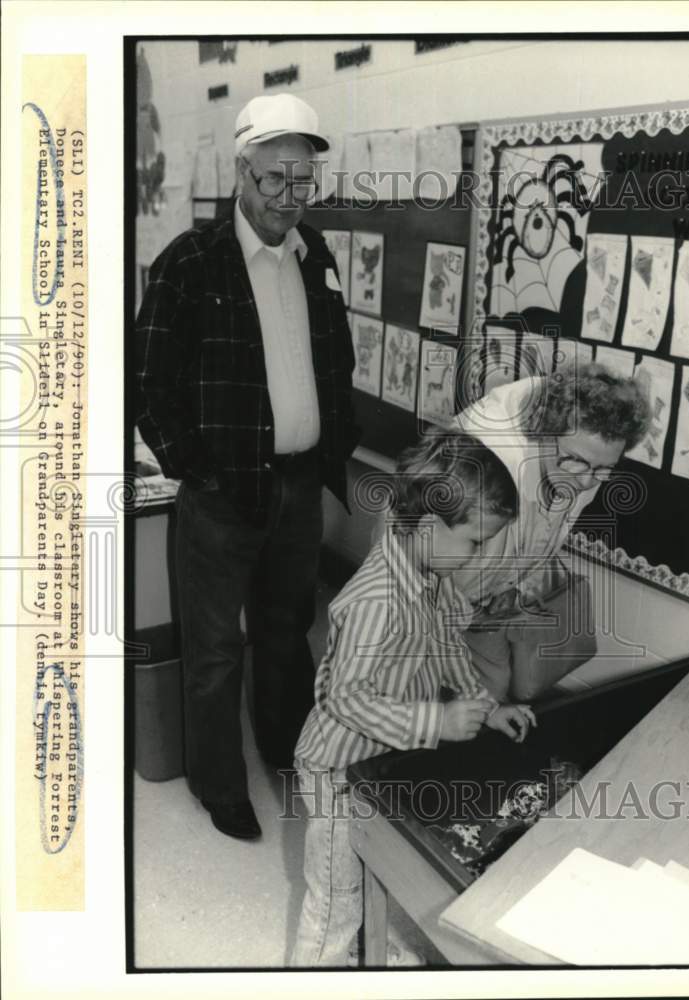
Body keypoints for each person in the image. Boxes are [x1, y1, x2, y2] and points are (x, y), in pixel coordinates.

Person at [135, 94, 359, 841]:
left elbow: (334, 361)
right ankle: (218, 784)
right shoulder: (190, 263)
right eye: (274, 179)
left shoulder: (315, 255)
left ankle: (284, 749)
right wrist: (193, 469)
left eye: (303, 181)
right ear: (242, 171)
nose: (289, 199)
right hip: (222, 494)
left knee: (287, 630)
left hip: (296, 486)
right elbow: (147, 382)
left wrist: (331, 450)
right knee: (213, 649)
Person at [290, 429, 536, 967]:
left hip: (379, 764)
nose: (481, 554)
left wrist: (485, 706)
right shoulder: (377, 599)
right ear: (427, 527)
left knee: (379, 865)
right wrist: (436, 721)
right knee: (335, 898)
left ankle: (372, 951)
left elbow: (448, 648)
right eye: (476, 540)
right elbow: (345, 698)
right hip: (336, 770)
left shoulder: (434, 576)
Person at [453, 361, 651, 702]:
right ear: (543, 432)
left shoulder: (584, 457)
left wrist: (511, 580)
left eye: (604, 469)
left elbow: (551, 521)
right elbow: (425, 568)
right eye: (575, 461)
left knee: (491, 689)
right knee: (417, 696)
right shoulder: (486, 458)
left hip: (486, 591)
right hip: (427, 586)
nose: (588, 481)